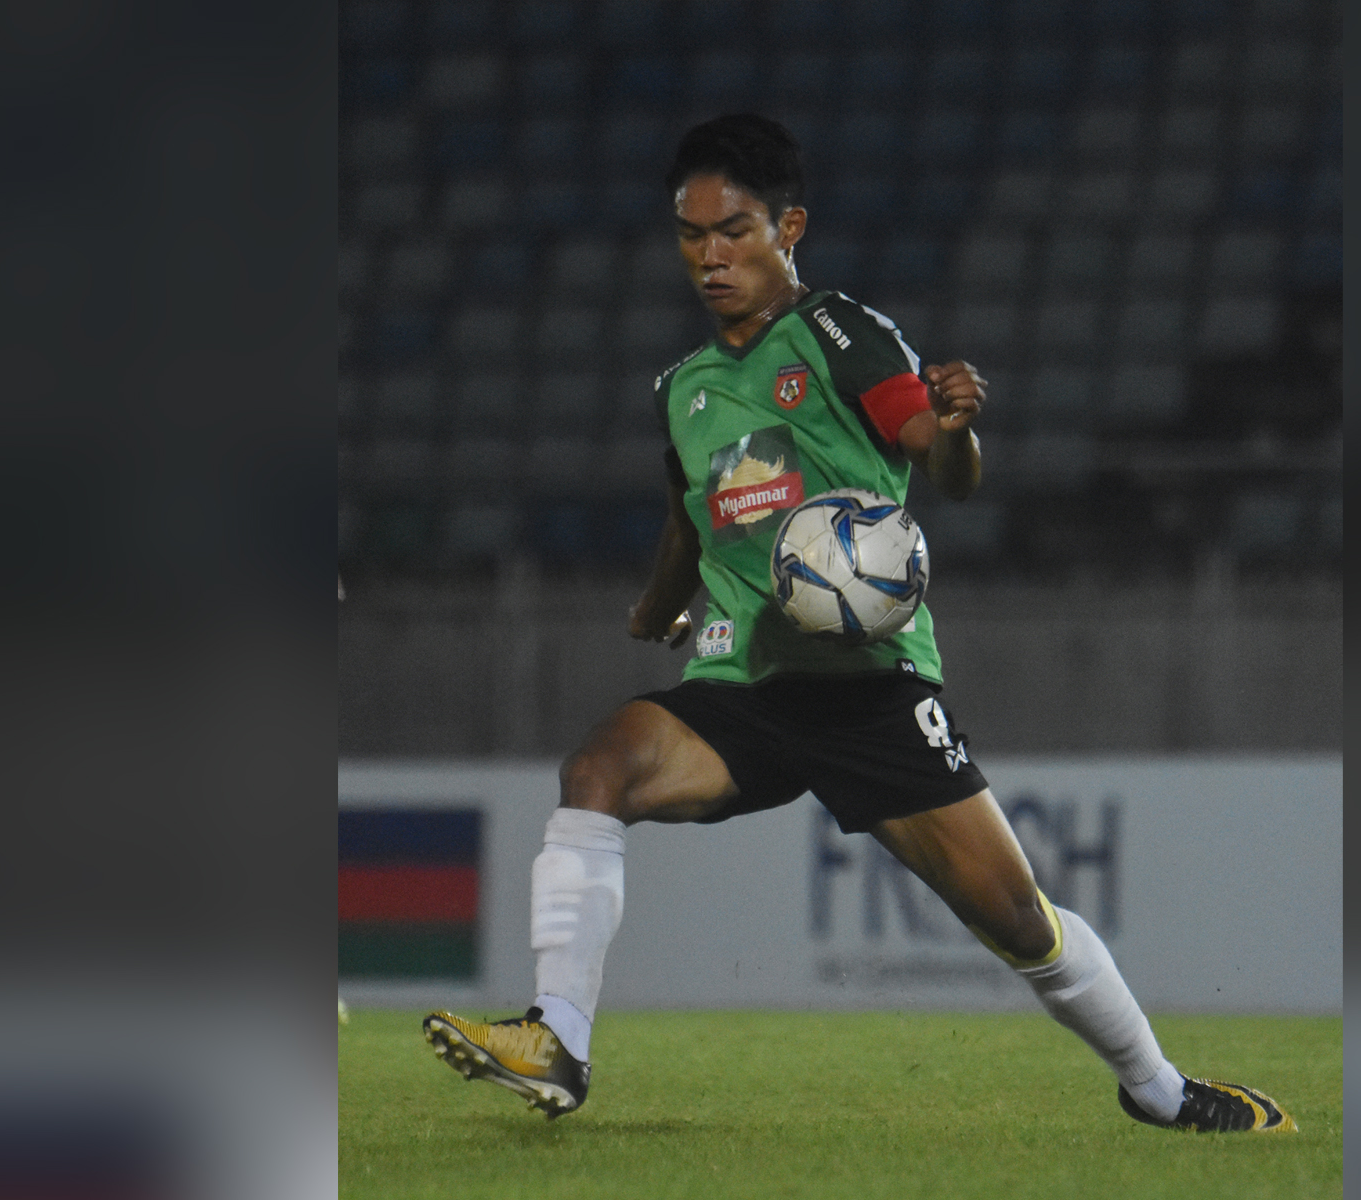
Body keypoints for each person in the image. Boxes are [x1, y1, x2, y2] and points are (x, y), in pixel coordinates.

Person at [422, 114, 1294, 1135]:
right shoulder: (682, 388)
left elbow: (941, 463)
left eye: (734, 231)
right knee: (597, 769)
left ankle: (1160, 1091)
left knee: (1019, 921)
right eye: (691, 235)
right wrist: (659, 605)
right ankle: (558, 1038)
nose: (710, 256)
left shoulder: (840, 334)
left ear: (788, 227)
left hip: (872, 687)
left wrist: (958, 432)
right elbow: (689, 516)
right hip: (744, 684)